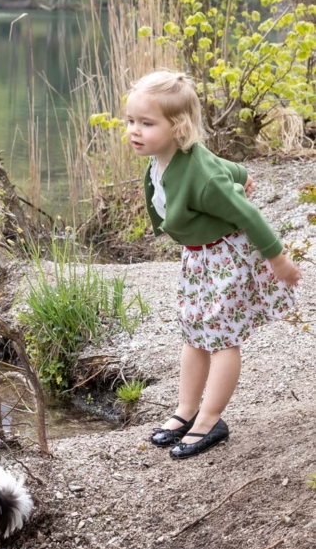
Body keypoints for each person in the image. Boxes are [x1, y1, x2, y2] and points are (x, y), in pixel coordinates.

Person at [125, 70, 301, 459]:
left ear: (178, 127)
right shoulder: (163, 158)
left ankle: (211, 418)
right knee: (193, 331)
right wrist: (242, 173)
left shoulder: (202, 178)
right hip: (198, 258)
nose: (134, 131)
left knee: (222, 338)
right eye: (131, 121)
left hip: (226, 256)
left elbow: (249, 216)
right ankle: (185, 411)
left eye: (146, 123)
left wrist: (279, 261)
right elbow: (217, 161)